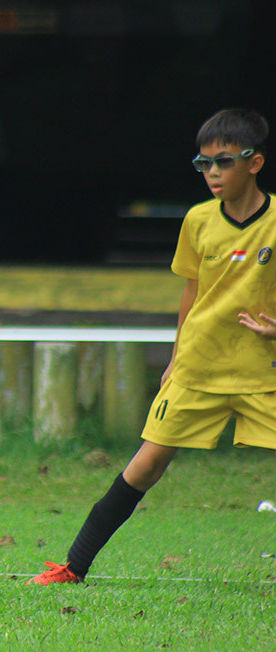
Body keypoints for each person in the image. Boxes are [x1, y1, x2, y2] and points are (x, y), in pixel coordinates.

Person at [30, 108, 276, 585]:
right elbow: (190, 291)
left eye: (222, 162)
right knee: (144, 466)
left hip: (263, 370)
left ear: (255, 162)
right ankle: (73, 567)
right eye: (203, 164)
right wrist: (175, 356)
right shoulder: (197, 221)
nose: (211, 174)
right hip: (199, 368)